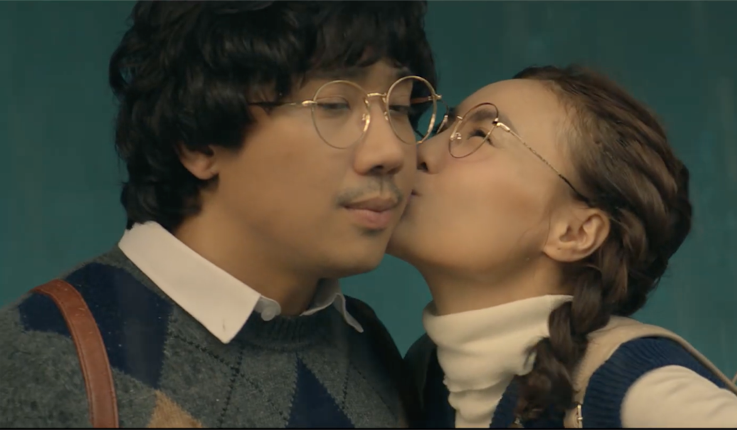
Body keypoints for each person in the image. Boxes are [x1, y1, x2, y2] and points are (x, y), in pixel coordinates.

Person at [0, 0, 440, 427]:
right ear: (198, 139)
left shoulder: (367, 344)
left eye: (399, 107)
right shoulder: (41, 357)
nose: (390, 151)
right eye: (334, 104)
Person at [390, 65, 737, 428]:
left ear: (575, 232)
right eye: (443, 127)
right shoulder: (423, 377)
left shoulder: (635, 386)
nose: (419, 153)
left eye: (480, 136)